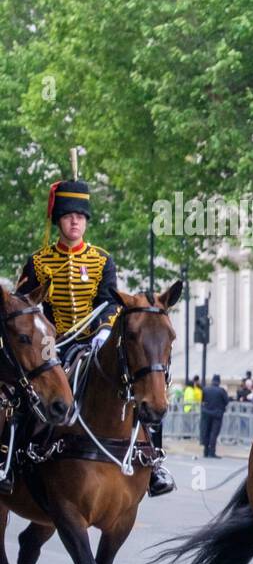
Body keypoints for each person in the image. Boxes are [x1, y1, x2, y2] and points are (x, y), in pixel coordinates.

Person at [4, 175, 175, 496]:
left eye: (80, 218)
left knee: (142, 385)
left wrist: (106, 329)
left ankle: (153, 464)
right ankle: (9, 459)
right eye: (69, 217)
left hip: (95, 340)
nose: (75, 223)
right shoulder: (39, 262)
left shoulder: (100, 259)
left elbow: (111, 300)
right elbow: (24, 305)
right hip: (51, 345)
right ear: (59, 221)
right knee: (27, 394)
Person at [199, 374, 229, 458]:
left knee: (206, 432)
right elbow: (226, 401)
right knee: (214, 433)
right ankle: (212, 452)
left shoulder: (205, 389)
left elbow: (202, 400)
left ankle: (205, 451)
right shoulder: (221, 391)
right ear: (219, 381)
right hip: (217, 414)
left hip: (206, 413)